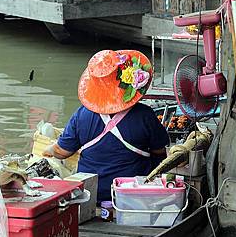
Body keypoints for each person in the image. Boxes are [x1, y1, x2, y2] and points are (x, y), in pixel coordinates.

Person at [43, 49, 169, 202]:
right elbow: (160, 151)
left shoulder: (81, 114)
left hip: (91, 195)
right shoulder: (145, 115)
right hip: (131, 194)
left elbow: (62, 152)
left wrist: (50, 149)